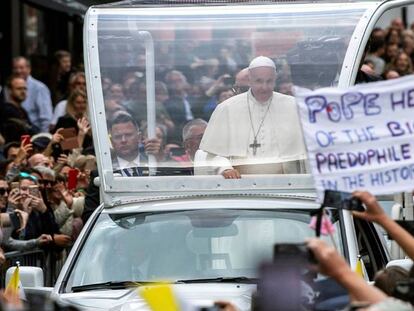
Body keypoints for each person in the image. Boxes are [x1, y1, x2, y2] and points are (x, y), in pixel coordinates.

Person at [198, 56, 307, 178]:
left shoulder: (294, 106)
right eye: (259, 81)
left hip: (286, 184)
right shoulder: (227, 108)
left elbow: (308, 153)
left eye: (269, 81)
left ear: (275, 79)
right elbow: (212, 153)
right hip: (241, 186)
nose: (264, 87)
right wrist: (225, 168)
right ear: (249, 80)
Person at [109, 112, 161, 176]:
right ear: (111, 141)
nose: (123, 140)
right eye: (118, 137)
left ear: (139, 137)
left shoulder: (153, 163)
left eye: (128, 135)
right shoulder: (106, 171)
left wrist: (158, 159)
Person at [11, 57, 53, 133]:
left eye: (21, 68)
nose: (18, 71)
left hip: (35, 134)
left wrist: (43, 138)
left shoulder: (40, 88)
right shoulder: (8, 87)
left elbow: (46, 118)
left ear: (28, 69)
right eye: (15, 68)